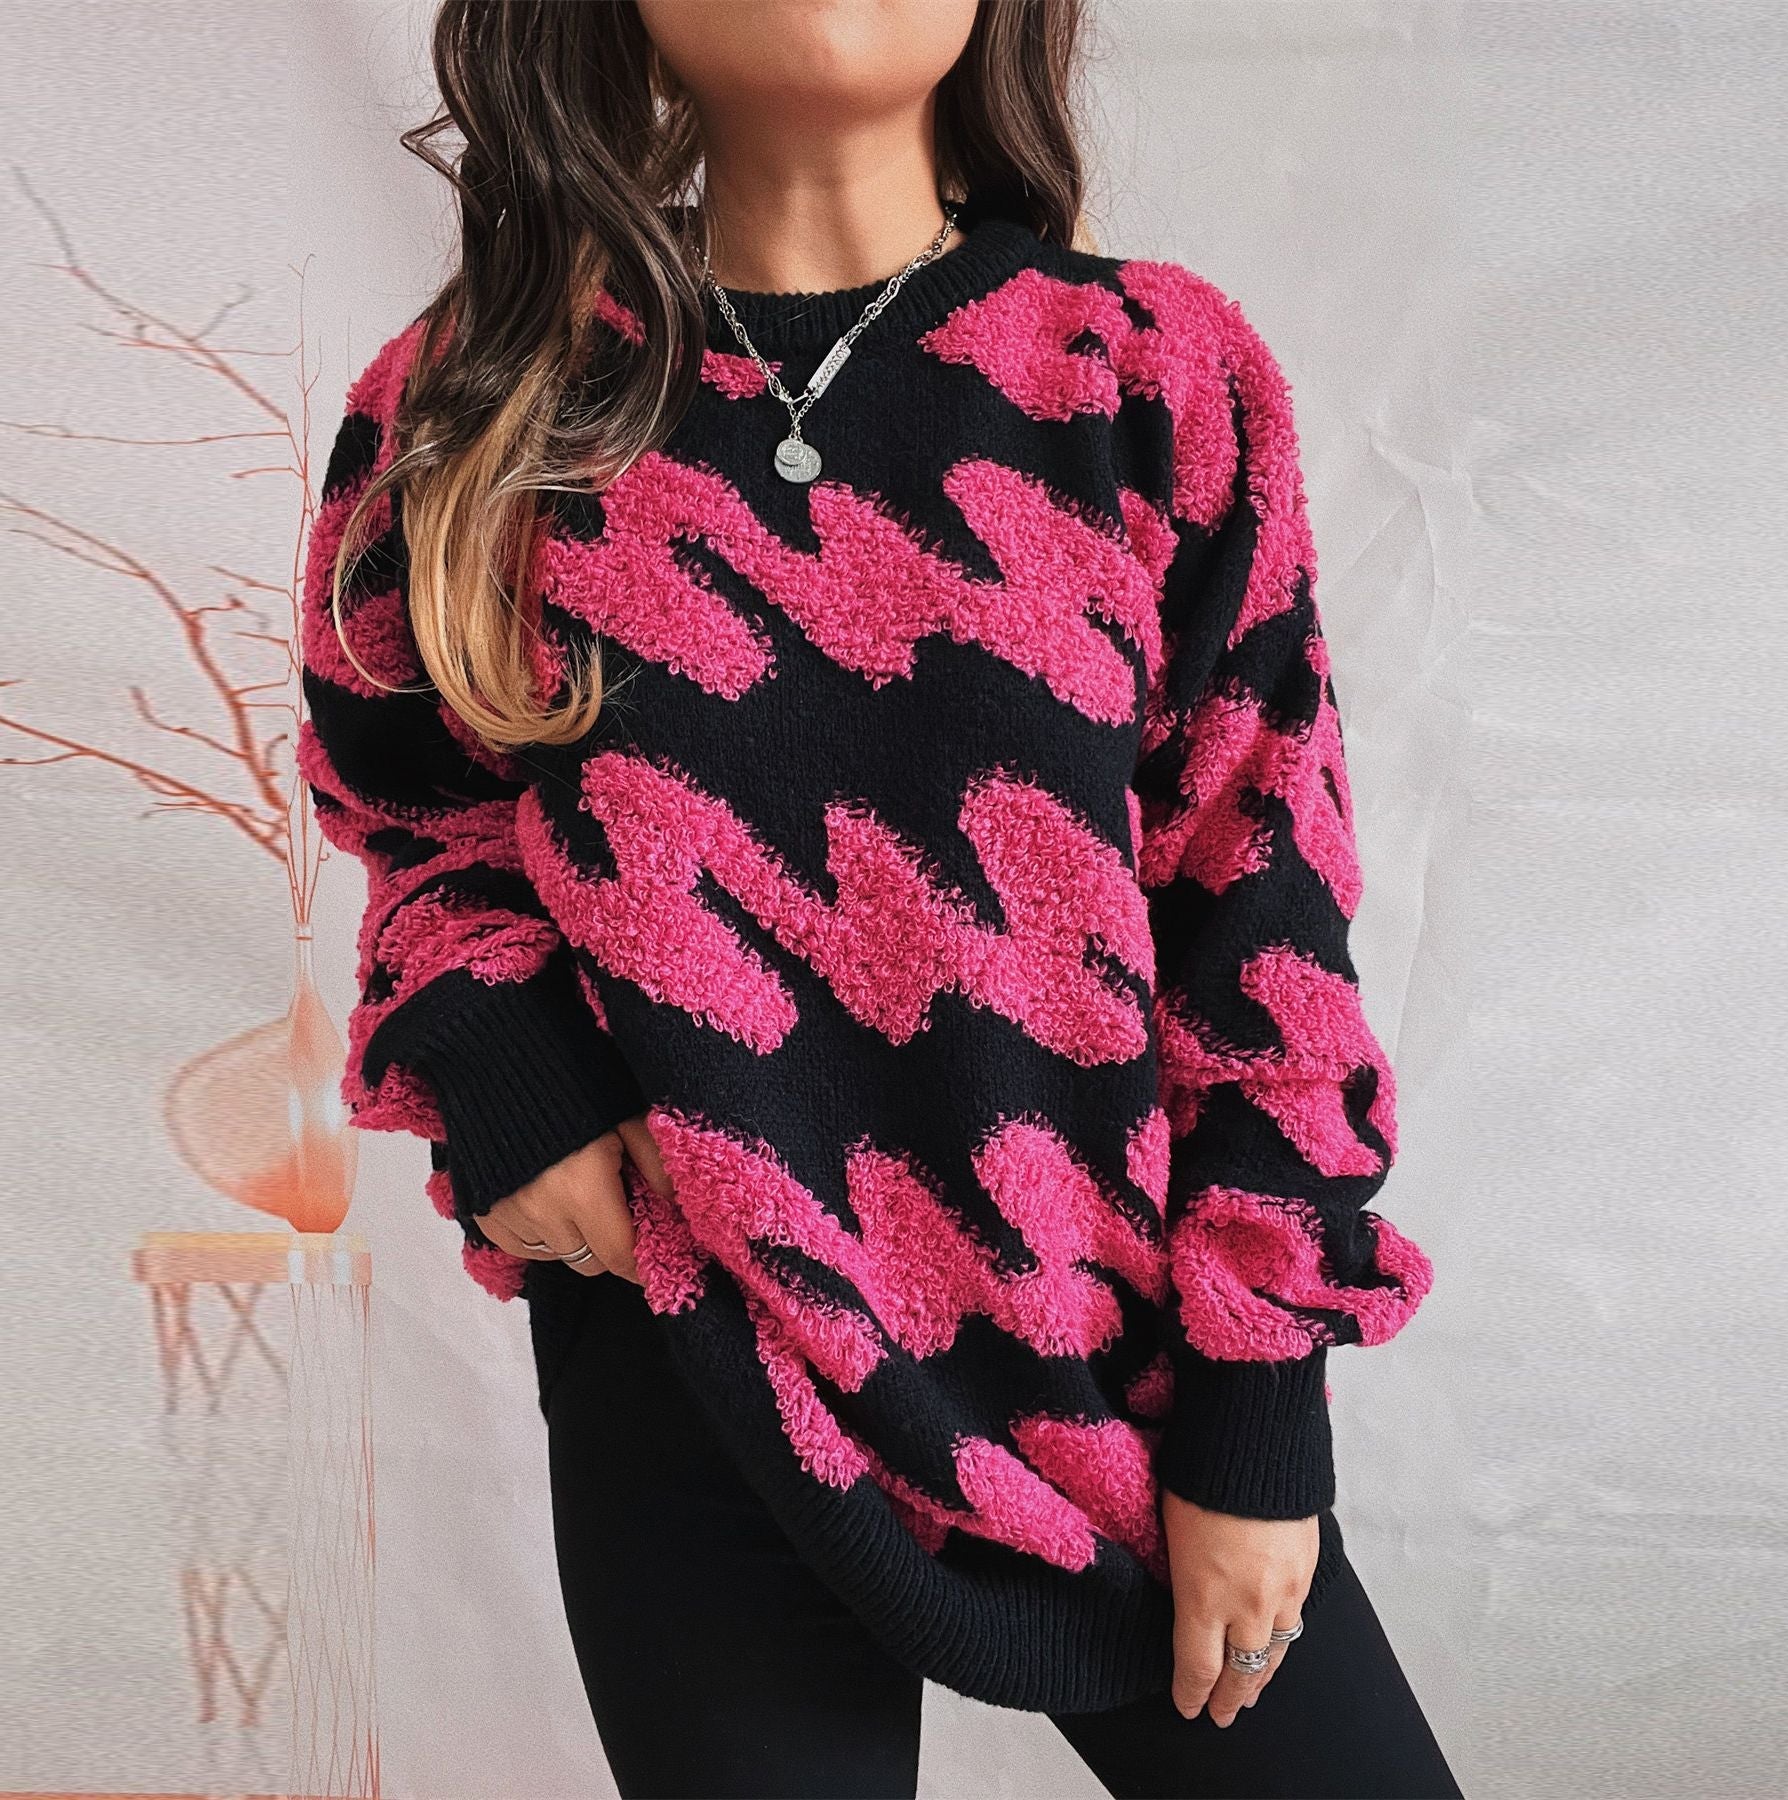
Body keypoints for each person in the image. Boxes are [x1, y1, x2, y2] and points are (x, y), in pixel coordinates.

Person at [298, 2, 1462, 1795]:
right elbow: (415, 809)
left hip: (1110, 1375)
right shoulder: (479, 400)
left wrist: (1258, 1408)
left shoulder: (1143, 373)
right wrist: (509, 1070)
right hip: (692, 1346)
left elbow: (1263, 906)